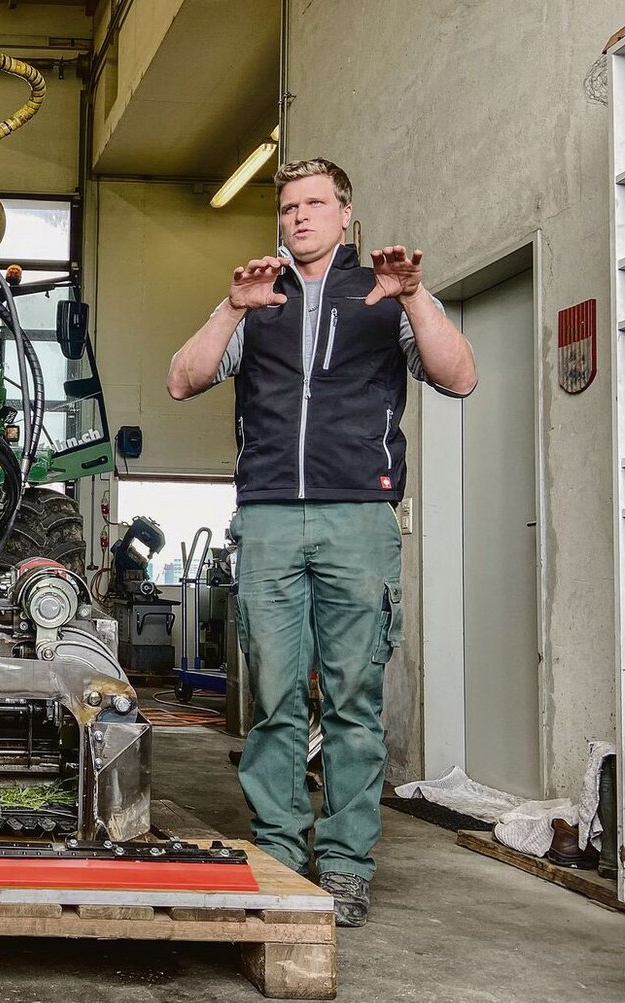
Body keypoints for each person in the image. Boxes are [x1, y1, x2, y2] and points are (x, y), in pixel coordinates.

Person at [166, 159, 476, 926]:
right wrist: (233, 310)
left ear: (345, 214)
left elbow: (460, 376)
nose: (297, 217)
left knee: (352, 699)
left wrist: (415, 296)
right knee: (272, 696)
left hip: (358, 519)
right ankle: (277, 848)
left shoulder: (381, 294)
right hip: (269, 516)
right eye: (288, 207)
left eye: (313, 204)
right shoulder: (258, 295)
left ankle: (343, 863)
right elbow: (182, 379)